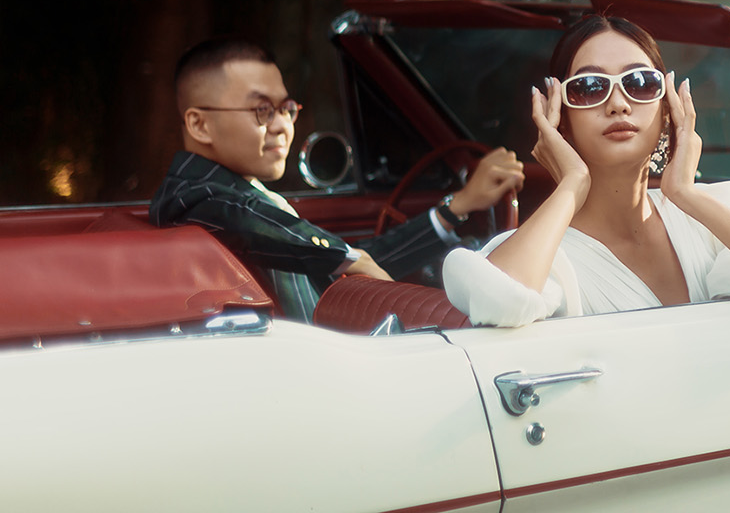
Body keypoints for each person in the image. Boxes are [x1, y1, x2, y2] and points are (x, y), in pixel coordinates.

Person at [443, 15, 730, 330]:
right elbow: (495, 304)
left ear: (667, 111)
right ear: (560, 119)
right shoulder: (544, 252)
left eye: (640, 83)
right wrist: (571, 184)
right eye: (589, 88)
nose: (619, 103)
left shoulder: (719, 210)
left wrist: (686, 195)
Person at [151, 37, 525, 322]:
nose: (283, 126)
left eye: (286, 108)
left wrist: (455, 208)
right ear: (199, 124)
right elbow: (242, 216)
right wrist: (353, 261)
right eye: (262, 110)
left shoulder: (235, 192)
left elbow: (334, 261)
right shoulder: (192, 195)